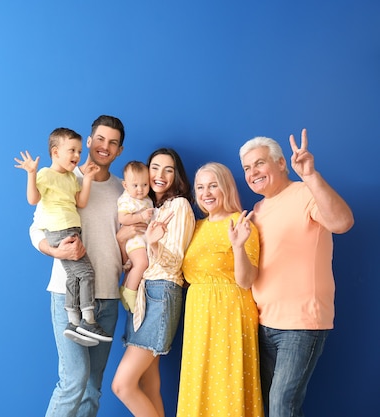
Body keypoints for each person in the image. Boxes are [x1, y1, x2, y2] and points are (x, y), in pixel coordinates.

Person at [239, 129, 354, 417]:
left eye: (260, 163)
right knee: (270, 406)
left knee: (282, 406)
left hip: (301, 323)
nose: (253, 172)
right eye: (247, 168)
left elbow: (342, 222)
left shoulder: (306, 192)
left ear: (281, 164)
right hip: (264, 323)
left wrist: (311, 176)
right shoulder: (257, 210)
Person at [29, 115, 134, 417]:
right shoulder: (63, 179)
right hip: (67, 295)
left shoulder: (122, 190)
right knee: (73, 380)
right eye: (100, 139)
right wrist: (54, 249)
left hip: (108, 298)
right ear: (88, 142)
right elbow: (36, 228)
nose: (105, 147)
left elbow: (123, 235)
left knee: (92, 387)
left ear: (119, 151)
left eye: (113, 143)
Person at [112, 147, 195, 417]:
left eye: (168, 169)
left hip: (161, 291)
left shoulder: (178, 205)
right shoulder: (150, 207)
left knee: (123, 386)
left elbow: (174, 262)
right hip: (145, 293)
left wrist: (153, 242)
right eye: (155, 168)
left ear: (177, 175)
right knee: (149, 383)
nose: (160, 174)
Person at [177, 162, 263, 417]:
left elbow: (247, 281)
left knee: (227, 381)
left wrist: (238, 246)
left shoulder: (242, 223)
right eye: (201, 187)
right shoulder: (197, 227)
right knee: (200, 382)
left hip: (230, 313)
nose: (206, 193)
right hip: (198, 314)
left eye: (213, 185)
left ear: (226, 187)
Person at [15, 127, 112, 345]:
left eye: (79, 151)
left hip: (71, 229)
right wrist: (31, 173)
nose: (77, 156)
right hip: (60, 231)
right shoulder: (46, 175)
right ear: (55, 152)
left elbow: (81, 203)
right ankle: (87, 319)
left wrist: (87, 178)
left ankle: (73, 320)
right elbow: (33, 199)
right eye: (72, 151)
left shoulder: (70, 178)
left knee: (75, 276)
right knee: (86, 273)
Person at [117, 161, 154, 316]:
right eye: (135, 185)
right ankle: (130, 293)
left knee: (135, 267)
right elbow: (123, 218)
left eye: (145, 184)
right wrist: (140, 216)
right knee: (142, 263)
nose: (140, 189)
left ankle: (125, 287)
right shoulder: (127, 199)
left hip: (143, 238)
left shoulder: (147, 199)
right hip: (134, 239)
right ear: (125, 185)